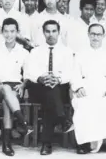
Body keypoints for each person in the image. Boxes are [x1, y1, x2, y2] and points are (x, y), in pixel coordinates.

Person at [71, 23, 106, 155]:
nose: (95, 37)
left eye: (98, 34)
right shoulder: (80, 54)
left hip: (105, 87)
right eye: (93, 34)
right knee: (83, 104)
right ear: (88, 35)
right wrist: (78, 87)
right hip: (86, 87)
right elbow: (75, 74)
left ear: (103, 36)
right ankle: (84, 142)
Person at [25, 20, 74, 155]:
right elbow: (29, 72)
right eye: (48, 31)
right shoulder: (35, 51)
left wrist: (58, 79)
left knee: (51, 96)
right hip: (39, 88)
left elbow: (70, 72)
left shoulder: (67, 52)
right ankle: (62, 119)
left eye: (54, 31)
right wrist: (41, 78)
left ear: (59, 33)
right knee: (49, 92)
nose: (51, 34)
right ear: (43, 33)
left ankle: (47, 143)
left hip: (60, 88)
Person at [0, 18, 33, 156]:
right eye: (6, 31)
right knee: (6, 90)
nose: (9, 35)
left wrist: (23, 84)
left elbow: (28, 74)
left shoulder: (23, 52)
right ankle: (23, 122)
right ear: (2, 32)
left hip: (16, 88)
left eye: (12, 31)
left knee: (7, 101)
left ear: (17, 32)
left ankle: (6, 143)